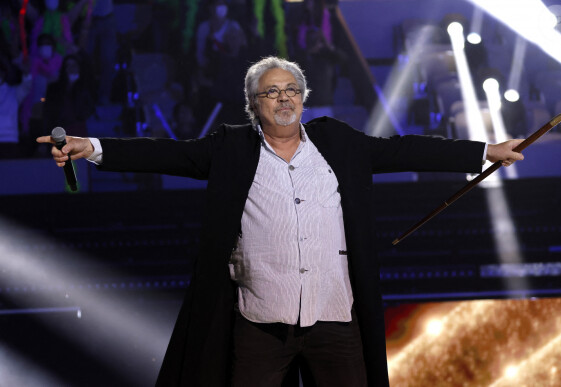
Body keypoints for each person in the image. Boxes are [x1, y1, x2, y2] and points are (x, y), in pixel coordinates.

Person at [38, 56, 524, 386]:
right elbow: (166, 153)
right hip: (260, 324)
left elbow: (405, 148)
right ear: (255, 104)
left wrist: (484, 151)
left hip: (335, 319)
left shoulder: (339, 143)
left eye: (292, 89)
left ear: (304, 98)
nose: (284, 98)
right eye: (271, 92)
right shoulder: (231, 148)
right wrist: (93, 148)